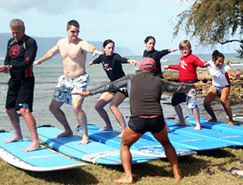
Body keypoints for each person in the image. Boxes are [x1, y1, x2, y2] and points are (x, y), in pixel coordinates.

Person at [73, 57, 203, 183]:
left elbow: (110, 86)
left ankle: (128, 177)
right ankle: (177, 173)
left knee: (125, 144)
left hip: (138, 121)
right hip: (157, 120)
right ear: (155, 69)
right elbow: (179, 87)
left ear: (140, 68)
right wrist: (194, 85)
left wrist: (90, 92)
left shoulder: (131, 78)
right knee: (166, 143)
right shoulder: (160, 81)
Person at [33, 20, 103, 144]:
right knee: (53, 108)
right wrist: (40, 61)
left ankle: (85, 136)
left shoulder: (81, 43)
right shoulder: (61, 43)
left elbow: (89, 46)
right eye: (73, 31)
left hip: (79, 79)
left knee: (76, 106)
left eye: (77, 32)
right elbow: (50, 53)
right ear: (67, 30)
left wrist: (94, 50)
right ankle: (68, 130)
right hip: (65, 80)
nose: (75, 34)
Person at [0, 19, 41, 152]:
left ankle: (36, 142)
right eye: (13, 33)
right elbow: (7, 58)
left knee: (24, 110)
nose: (15, 35)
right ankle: (18, 135)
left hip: (26, 80)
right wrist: (5, 68)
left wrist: (10, 66)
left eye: (17, 32)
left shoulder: (30, 42)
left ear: (23, 30)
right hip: (14, 80)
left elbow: (28, 62)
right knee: (9, 109)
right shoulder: (10, 42)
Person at [89, 39, 138, 137]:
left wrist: (130, 60)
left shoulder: (115, 57)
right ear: (104, 49)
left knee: (113, 106)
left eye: (112, 48)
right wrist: (92, 62)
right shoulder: (102, 57)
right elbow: (98, 60)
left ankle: (124, 130)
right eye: (109, 48)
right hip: (113, 86)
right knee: (98, 106)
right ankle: (108, 126)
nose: (111, 50)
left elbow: (122, 59)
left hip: (123, 85)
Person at [163, 40, 208, 130]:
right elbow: (180, 67)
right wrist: (169, 66)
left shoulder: (193, 58)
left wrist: (206, 64)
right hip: (181, 84)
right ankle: (181, 121)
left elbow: (200, 64)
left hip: (191, 84)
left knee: (192, 104)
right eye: (182, 49)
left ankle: (198, 124)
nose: (184, 51)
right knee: (174, 101)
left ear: (190, 49)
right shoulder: (182, 59)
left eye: (186, 49)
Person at [203, 50, 240, 126]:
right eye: (219, 61)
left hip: (225, 86)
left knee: (223, 100)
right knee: (206, 104)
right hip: (215, 86)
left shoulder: (224, 66)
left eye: (222, 61)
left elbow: (229, 71)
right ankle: (213, 118)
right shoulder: (210, 63)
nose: (221, 63)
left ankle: (231, 120)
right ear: (214, 60)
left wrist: (235, 75)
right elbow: (200, 63)